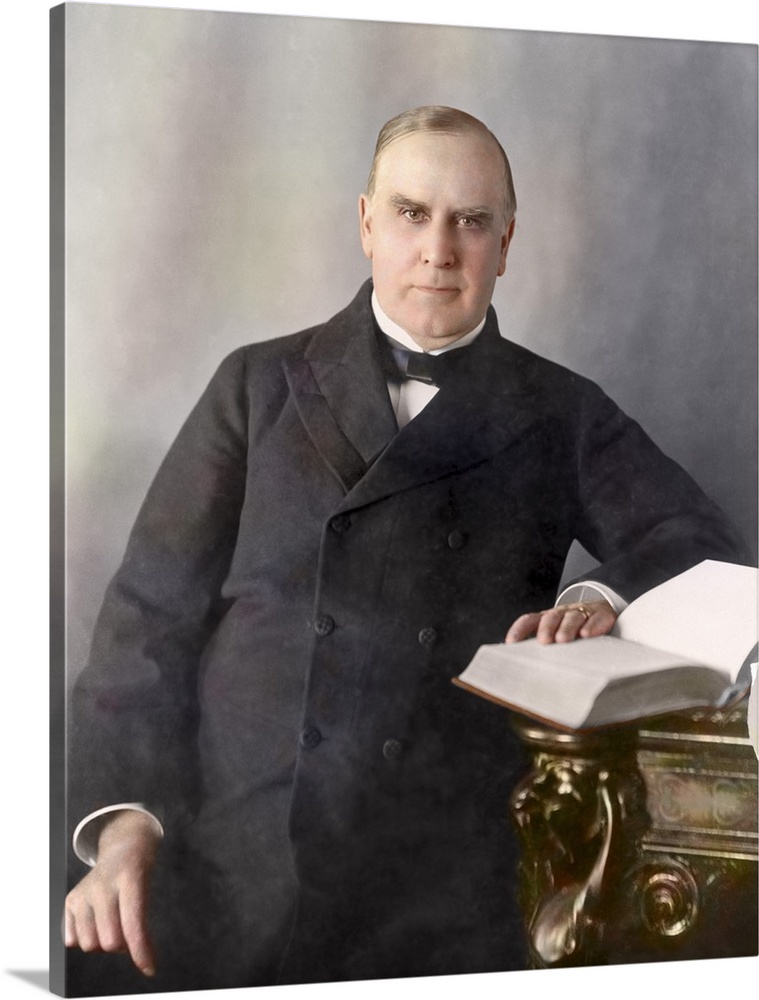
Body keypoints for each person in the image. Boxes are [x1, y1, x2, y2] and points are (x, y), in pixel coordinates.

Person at [64, 106, 749, 991]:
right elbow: (145, 624)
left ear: (506, 242)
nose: (439, 248)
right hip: (231, 863)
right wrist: (124, 825)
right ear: (365, 225)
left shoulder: (559, 410)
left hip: (440, 889)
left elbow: (696, 541)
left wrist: (602, 596)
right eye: (411, 213)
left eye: (470, 221)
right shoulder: (255, 384)